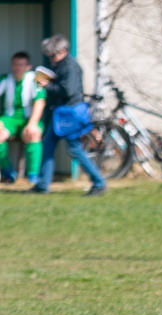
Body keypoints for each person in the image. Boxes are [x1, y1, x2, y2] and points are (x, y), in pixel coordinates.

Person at [30, 35, 106, 196]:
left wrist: (47, 85)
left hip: (69, 115)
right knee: (48, 145)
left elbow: (68, 91)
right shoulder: (60, 65)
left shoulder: (70, 67)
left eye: (52, 55)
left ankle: (99, 182)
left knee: (75, 149)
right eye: (48, 56)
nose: (50, 59)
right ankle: (43, 185)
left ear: (63, 51)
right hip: (59, 114)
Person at [0, 52, 45, 184]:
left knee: (33, 134)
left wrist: (32, 124)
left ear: (28, 66)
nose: (17, 68)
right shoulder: (5, 79)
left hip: (29, 118)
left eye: (21, 65)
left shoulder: (35, 80)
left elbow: (40, 102)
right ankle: (7, 171)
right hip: (10, 118)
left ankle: (33, 175)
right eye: (15, 64)